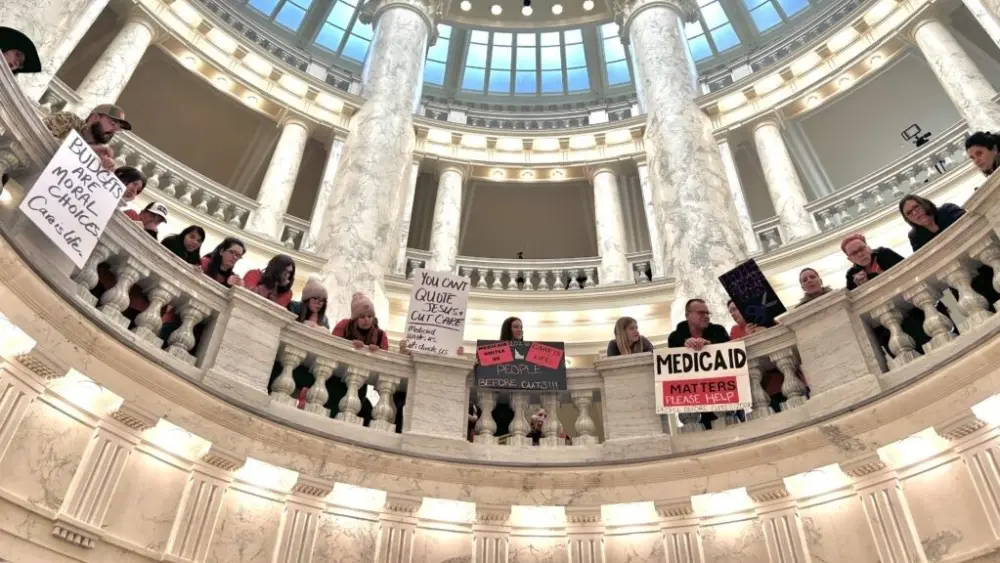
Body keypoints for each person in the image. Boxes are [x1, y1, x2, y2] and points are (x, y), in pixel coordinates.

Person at [900, 194, 999, 309]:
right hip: (959, 276)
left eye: (916, 207)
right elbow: (925, 261)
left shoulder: (947, 210)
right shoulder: (915, 236)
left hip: (983, 260)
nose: (915, 213)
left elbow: (972, 227)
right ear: (908, 220)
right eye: (909, 213)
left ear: (924, 203)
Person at [668, 299, 732, 430]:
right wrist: (683, 346)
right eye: (701, 313)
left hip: (722, 394)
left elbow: (730, 351)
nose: (706, 316)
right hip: (695, 398)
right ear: (687, 315)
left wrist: (710, 344)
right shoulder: (675, 337)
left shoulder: (718, 330)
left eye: (708, 313)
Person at [43, 103, 131, 145]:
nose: (114, 131)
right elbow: (42, 136)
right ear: (95, 118)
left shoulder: (100, 153)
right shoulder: (69, 120)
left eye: (118, 129)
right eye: (112, 123)